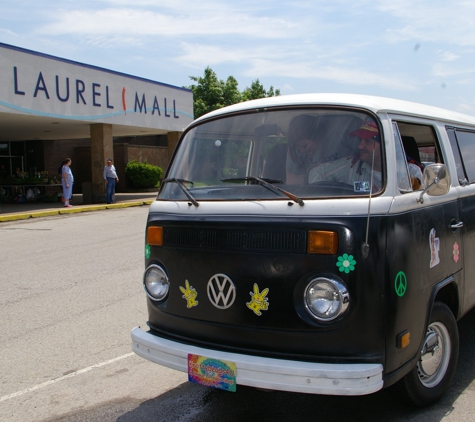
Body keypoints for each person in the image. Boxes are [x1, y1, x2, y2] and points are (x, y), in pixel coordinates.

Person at [308, 118, 383, 192]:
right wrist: (323, 196)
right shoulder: (352, 165)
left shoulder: (394, 174)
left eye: (368, 141)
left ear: (383, 146)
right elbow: (317, 172)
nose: (360, 146)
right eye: (360, 140)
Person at [286, 115, 320, 184]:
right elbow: (294, 186)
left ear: (316, 138)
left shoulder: (336, 143)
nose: (302, 151)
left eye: (305, 146)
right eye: (298, 147)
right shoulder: (294, 153)